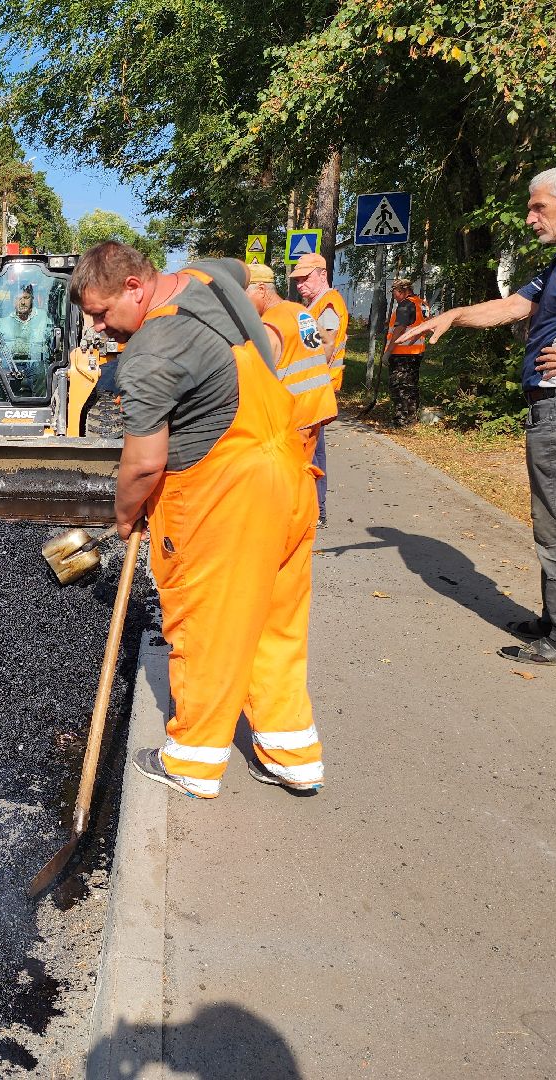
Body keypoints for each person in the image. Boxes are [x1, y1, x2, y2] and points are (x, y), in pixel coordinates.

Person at [69, 242, 323, 798]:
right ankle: (292, 754)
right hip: (288, 476)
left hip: (222, 497)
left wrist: (124, 516)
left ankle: (193, 760)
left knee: (206, 624)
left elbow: (143, 462)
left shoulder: (150, 351)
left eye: (102, 312)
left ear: (135, 287)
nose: (99, 327)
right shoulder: (208, 280)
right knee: (275, 624)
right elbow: (243, 272)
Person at [397, 164, 556, 668]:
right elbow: (514, 306)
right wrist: (452, 316)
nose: (529, 218)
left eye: (537, 207)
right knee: (553, 522)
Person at [244, 261, 338, 466]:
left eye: (243, 295)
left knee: (289, 482)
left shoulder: (268, 325)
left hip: (292, 419)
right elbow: (329, 341)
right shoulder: (299, 311)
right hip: (316, 410)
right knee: (305, 475)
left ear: (261, 290)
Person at [289, 252, 347, 525]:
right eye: (297, 280)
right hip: (313, 387)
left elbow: (326, 346)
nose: (300, 284)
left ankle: (316, 511)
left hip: (316, 388)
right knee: (313, 449)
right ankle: (314, 510)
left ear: (323, 274)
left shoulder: (328, 305)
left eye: (305, 278)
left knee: (312, 451)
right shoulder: (315, 305)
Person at [384, 278, 428, 426]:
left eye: (395, 293)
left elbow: (399, 329)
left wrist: (388, 352)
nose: (394, 296)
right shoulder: (421, 304)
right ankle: (412, 418)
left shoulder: (405, 305)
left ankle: (401, 421)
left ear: (403, 291)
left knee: (400, 386)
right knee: (412, 385)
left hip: (401, 353)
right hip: (417, 352)